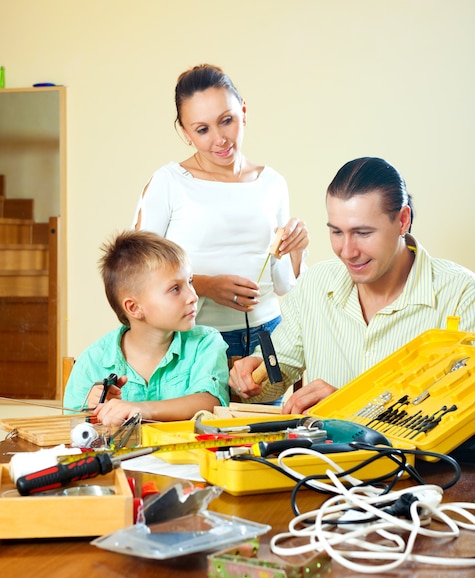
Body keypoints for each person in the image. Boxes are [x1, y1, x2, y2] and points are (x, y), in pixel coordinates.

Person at [229, 156, 475, 413]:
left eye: (363, 233)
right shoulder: (315, 285)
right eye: (336, 232)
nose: (347, 251)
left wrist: (349, 406)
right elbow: (276, 376)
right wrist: (252, 375)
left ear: (403, 220)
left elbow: (463, 411)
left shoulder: (461, 294)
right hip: (321, 454)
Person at [132, 63, 309, 365]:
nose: (220, 139)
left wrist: (298, 250)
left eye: (226, 120)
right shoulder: (169, 182)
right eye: (202, 129)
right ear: (185, 132)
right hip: (196, 338)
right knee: (199, 415)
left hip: (268, 335)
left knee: (269, 416)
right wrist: (204, 285)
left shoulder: (273, 183)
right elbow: (136, 271)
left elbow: (282, 285)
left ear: (243, 110)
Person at [64, 230, 230, 428]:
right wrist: (96, 412)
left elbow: (210, 403)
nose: (193, 296)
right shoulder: (93, 361)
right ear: (134, 308)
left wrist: (140, 409)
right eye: (175, 289)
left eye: (190, 282)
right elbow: (71, 427)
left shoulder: (206, 342)